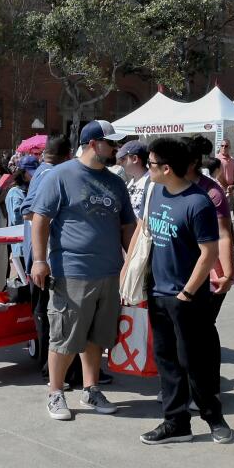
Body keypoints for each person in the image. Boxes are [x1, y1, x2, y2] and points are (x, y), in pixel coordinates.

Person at [126, 136, 229, 445]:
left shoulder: (198, 203)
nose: (148, 168)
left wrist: (186, 293)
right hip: (157, 292)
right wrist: (127, 267)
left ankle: (213, 417)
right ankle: (176, 423)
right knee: (167, 361)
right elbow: (144, 228)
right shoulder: (156, 191)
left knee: (193, 363)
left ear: (167, 168)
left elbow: (208, 252)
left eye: (153, 163)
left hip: (187, 297)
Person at [30, 120, 135, 421]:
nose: (116, 148)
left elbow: (127, 225)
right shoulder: (61, 175)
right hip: (72, 271)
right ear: (93, 144)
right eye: (111, 143)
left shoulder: (116, 182)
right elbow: (40, 219)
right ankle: (55, 392)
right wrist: (40, 260)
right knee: (65, 335)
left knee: (97, 336)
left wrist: (132, 263)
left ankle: (91, 389)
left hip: (109, 272)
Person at [21, 135, 72, 380]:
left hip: (39, 254)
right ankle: (47, 365)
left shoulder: (41, 171)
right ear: (68, 157)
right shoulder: (51, 175)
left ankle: (45, 362)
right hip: (45, 256)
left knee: (44, 311)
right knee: (48, 312)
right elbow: (28, 210)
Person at [185, 136, 234, 317]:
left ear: (191, 163)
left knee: (203, 328)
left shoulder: (213, 192)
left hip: (209, 272)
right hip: (179, 271)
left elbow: (224, 234)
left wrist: (228, 275)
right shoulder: (168, 187)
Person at [117, 140, 150, 219]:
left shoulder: (151, 182)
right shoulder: (131, 182)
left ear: (135, 159)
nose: (120, 163)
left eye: (123, 159)